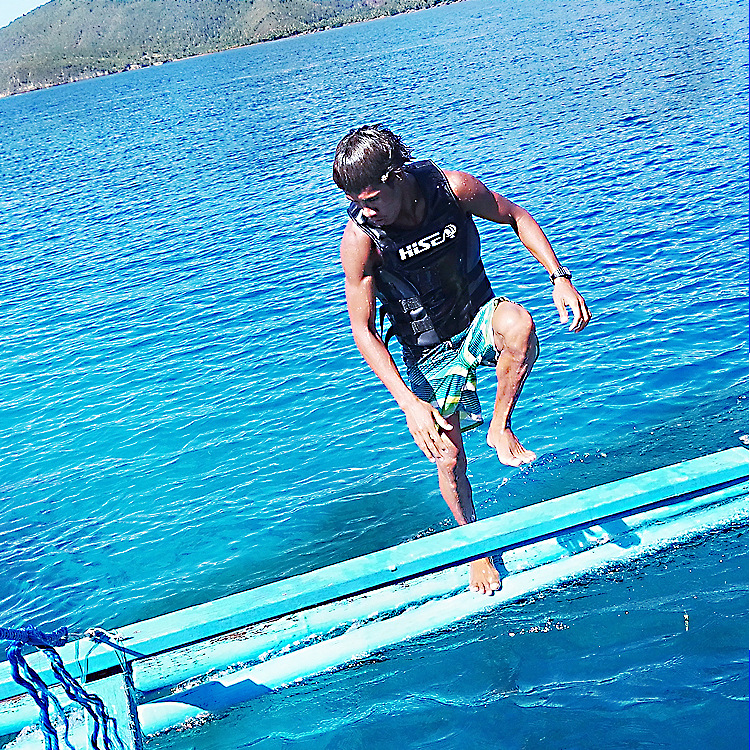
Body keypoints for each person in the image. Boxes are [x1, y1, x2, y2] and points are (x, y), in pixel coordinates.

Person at [333, 125, 591, 595]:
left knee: (519, 325)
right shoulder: (361, 239)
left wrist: (560, 277)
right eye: (354, 202)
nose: (363, 211)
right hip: (426, 351)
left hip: (477, 320)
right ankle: (476, 548)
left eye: (370, 199)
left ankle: (499, 428)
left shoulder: (452, 189)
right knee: (449, 457)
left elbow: (516, 216)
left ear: (396, 176)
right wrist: (409, 404)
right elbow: (363, 331)